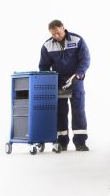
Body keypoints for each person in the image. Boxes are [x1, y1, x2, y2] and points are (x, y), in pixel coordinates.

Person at [39, 19, 91, 152]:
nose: (56, 36)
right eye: (53, 34)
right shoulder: (47, 46)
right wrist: (49, 81)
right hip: (58, 83)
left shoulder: (77, 40)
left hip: (75, 81)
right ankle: (62, 142)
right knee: (60, 112)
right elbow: (44, 67)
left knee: (78, 111)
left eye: (58, 33)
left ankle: (80, 142)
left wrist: (78, 75)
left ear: (63, 28)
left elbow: (85, 59)